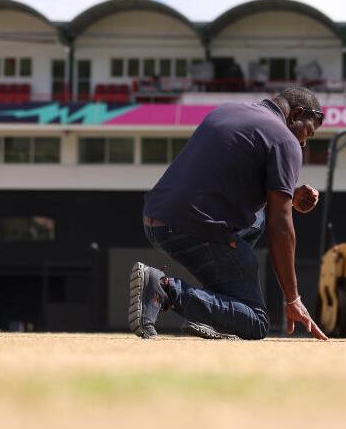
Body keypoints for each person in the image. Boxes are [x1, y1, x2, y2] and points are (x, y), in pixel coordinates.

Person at [128, 87, 328, 340]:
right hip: (191, 229)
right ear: (296, 114)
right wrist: (292, 298)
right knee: (254, 321)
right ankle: (164, 289)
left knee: (257, 220)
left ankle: (215, 313)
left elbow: (219, 174)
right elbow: (281, 224)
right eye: (307, 132)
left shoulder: (227, 110)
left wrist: (286, 192)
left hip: (156, 219)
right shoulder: (285, 141)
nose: (304, 142)